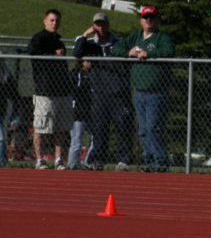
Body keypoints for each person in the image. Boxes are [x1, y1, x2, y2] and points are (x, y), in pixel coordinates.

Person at [112, 5, 175, 172]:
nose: (148, 20)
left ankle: (160, 162)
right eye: (145, 17)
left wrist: (150, 54)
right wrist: (129, 53)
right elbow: (116, 49)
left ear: (157, 20)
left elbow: (169, 52)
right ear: (141, 20)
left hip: (156, 91)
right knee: (143, 130)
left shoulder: (162, 38)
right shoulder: (135, 37)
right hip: (138, 91)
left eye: (151, 17)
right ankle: (149, 160)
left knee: (154, 127)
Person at [73, 12, 133, 171]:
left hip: (119, 94)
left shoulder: (118, 43)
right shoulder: (91, 45)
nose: (100, 27)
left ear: (108, 25)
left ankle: (124, 160)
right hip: (99, 94)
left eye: (103, 24)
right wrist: (85, 34)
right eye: (97, 24)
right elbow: (77, 52)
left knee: (123, 127)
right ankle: (97, 161)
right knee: (99, 129)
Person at [29, 9, 73, 170]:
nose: (55, 23)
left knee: (61, 128)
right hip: (45, 91)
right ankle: (40, 159)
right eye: (52, 20)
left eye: (57, 21)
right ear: (45, 21)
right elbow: (34, 53)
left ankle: (59, 159)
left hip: (62, 90)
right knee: (41, 126)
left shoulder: (59, 41)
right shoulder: (38, 39)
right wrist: (53, 54)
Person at [69, 60, 92, 169]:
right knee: (77, 140)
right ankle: (73, 164)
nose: (90, 63)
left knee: (96, 138)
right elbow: (75, 90)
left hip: (91, 111)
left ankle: (87, 162)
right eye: (87, 60)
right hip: (78, 111)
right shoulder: (76, 74)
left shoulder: (95, 73)